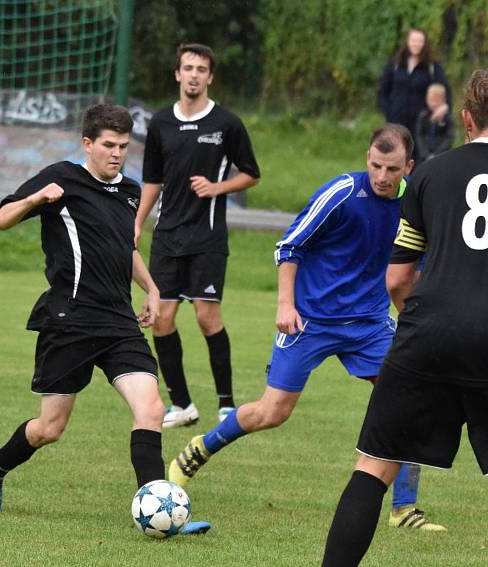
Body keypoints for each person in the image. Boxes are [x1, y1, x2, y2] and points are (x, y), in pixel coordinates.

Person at [168, 124, 445, 531]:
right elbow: (289, 246)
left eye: (392, 168)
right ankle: (199, 449)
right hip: (309, 320)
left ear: (410, 166)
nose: (382, 177)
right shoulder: (343, 194)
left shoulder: (416, 202)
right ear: (366, 158)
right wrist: (285, 304)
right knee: (272, 412)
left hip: (368, 323)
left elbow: (414, 268)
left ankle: (404, 509)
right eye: (375, 166)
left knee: (407, 398)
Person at [0, 104, 208, 535]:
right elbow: (2, 220)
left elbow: (127, 247)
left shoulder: (132, 191)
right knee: (50, 427)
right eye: (108, 146)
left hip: (119, 321)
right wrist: (34, 199)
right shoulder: (61, 178)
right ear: (88, 144)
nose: (116, 154)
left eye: (123, 146)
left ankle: (157, 507)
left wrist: (153, 290)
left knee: (152, 408)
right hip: (70, 319)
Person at [322, 69, 488, 567]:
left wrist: (423, 323)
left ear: (464, 118)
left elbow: (397, 279)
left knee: (374, 466)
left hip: (426, 332)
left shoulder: (430, 174)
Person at [135, 43, 260, 428]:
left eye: (201, 69)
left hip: (206, 238)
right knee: (161, 319)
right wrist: (137, 222)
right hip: (168, 237)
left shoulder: (226, 124)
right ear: (177, 74)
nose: (193, 74)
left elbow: (251, 173)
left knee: (208, 318)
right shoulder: (159, 123)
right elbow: (152, 180)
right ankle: (182, 405)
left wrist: (216, 188)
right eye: (187, 67)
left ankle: (226, 404)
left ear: (210, 77)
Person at [378, 27, 451, 159]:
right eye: (413, 40)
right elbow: (382, 91)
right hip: (397, 121)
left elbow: (445, 90)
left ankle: (416, 180)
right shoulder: (395, 64)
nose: (416, 44)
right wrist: (389, 111)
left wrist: (443, 109)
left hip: (421, 124)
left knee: (419, 159)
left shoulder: (432, 66)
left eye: (420, 41)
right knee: (396, 155)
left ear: (425, 43)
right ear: (407, 41)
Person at [415, 83, 455, 161]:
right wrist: (424, 153)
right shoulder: (423, 116)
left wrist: (437, 153)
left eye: (436, 101)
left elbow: (449, 137)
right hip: (425, 155)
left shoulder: (447, 118)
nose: (433, 103)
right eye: (430, 100)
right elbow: (420, 135)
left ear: (443, 100)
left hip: (442, 155)